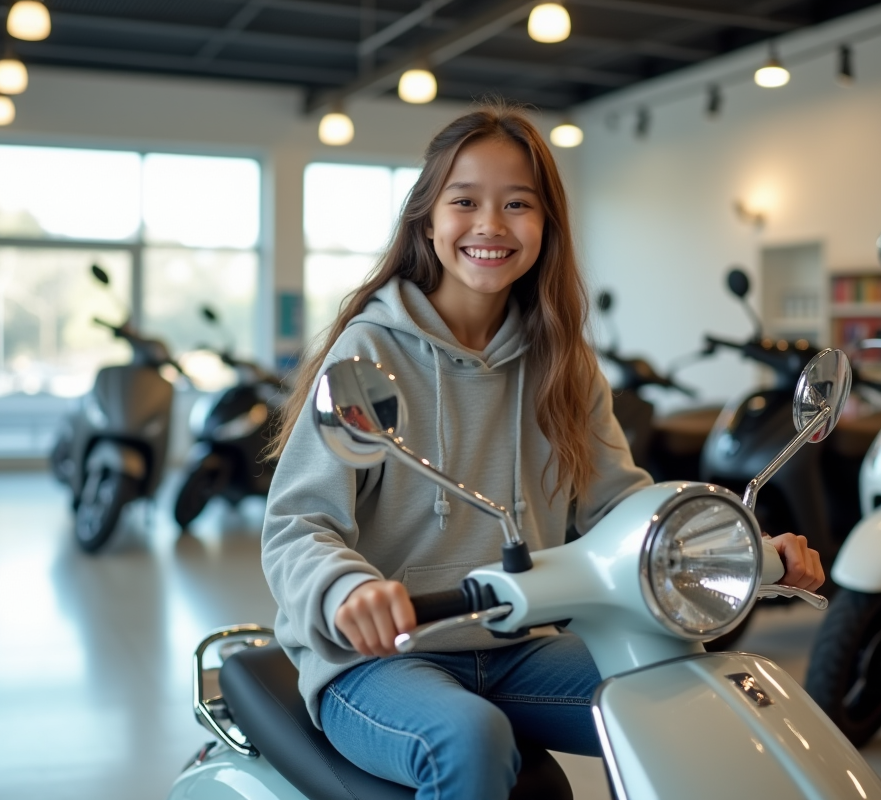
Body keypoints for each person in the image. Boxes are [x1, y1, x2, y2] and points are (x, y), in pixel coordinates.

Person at [262, 102, 825, 799]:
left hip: (513, 647)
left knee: (696, 694)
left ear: (547, 226)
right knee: (469, 738)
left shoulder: (563, 361)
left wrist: (740, 546)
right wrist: (348, 591)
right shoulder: (370, 353)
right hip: (376, 661)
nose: (491, 225)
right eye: (464, 201)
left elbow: (621, 504)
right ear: (427, 220)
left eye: (518, 204)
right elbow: (298, 525)